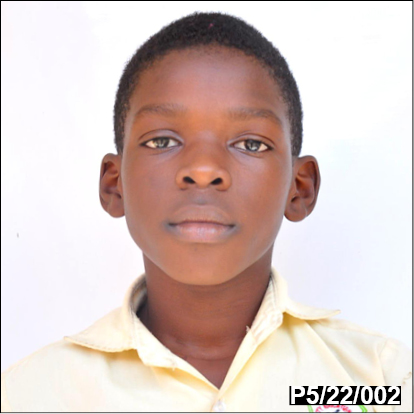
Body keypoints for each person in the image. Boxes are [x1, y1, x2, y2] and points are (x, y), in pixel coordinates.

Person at [1, 11, 411, 413]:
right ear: (114, 184)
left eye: (251, 144)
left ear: (299, 188)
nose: (202, 169)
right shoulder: (28, 397)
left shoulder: (381, 383)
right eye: (162, 141)